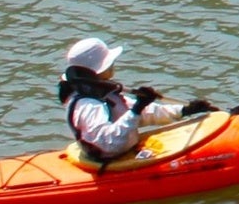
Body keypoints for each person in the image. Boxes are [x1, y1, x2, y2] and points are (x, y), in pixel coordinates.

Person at [58, 38, 180, 169]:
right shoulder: (88, 106)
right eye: (109, 63)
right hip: (109, 162)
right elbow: (109, 144)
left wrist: (183, 111)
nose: (113, 64)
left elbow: (142, 113)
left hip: (123, 152)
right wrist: (137, 110)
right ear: (97, 71)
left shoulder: (102, 92)